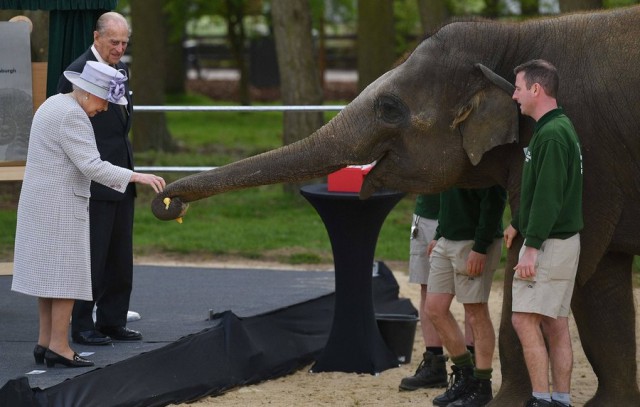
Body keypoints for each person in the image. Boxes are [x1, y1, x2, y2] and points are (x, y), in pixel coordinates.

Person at [11, 61, 165, 368]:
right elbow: (92, 166)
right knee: (66, 277)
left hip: (41, 202)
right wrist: (137, 177)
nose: (106, 108)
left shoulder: (53, 104)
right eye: (105, 99)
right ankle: (58, 346)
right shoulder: (73, 116)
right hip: (61, 206)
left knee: (48, 277)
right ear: (88, 93)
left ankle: (45, 343)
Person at [57, 12, 140, 346]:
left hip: (122, 174)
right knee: (92, 255)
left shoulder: (120, 68)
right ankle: (81, 323)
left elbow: (120, 120)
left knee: (120, 255)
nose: (119, 48)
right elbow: (70, 124)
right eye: (113, 42)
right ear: (96, 37)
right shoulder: (76, 73)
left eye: (124, 43)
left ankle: (112, 319)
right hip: (92, 177)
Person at [505, 59, 583, 407]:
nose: (514, 95)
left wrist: (532, 246)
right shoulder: (557, 128)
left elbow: (550, 198)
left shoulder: (551, 135)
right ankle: (560, 401)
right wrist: (518, 223)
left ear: (536, 89)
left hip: (549, 244)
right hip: (561, 241)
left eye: (518, 88)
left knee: (523, 319)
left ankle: (541, 400)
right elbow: (542, 190)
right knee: (554, 322)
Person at [427, 186, 506, 407]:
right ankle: (465, 376)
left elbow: (496, 199)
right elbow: (448, 196)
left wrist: (481, 247)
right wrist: (439, 234)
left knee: (475, 312)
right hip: (447, 239)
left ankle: (482, 386)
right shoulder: (447, 155)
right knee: (434, 308)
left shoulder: (481, 160)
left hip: (474, 242)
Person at [399, 194, 475, 391]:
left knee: (471, 295)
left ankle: (472, 364)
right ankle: (434, 363)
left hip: (463, 214)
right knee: (427, 287)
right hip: (425, 214)